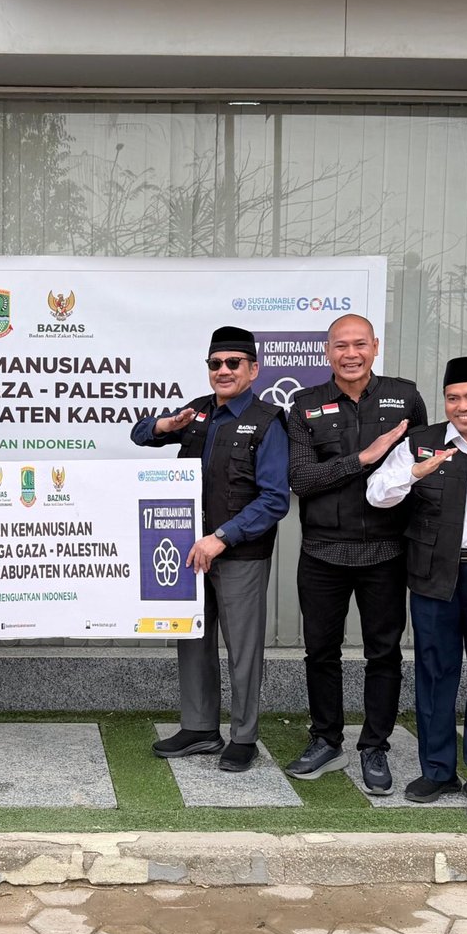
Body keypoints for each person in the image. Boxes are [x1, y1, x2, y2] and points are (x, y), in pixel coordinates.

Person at [365, 357, 467, 824]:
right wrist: (415, 473)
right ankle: (437, 771)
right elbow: (377, 493)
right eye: (453, 398)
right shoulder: (421, 443)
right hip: (435, 576)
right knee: (435, 675)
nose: (463, 406)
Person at [131, 327, 290, 772]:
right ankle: (200, 728)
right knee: (193, 640)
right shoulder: (198, 412)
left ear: (253, 369)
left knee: (243, 649)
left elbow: (274, 499)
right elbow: (140, 435)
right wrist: (165, 425)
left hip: (238, 553)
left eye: (233, 363)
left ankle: (244, 736)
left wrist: (222, 537)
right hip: (190, 553)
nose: (223, 371)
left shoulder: (267, 421)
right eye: (215, 364)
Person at [282, 313, 427, 795]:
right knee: (320, 651)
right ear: (327, 351)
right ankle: (326, 739)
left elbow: (421, 470)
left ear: (375, 346)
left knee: (383, 653)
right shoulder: (305, 405)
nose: (351, 354)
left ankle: (374, 746)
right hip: (322, 551)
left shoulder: (405, 398)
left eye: (360, 344)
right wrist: (363, 459)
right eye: (341, 345)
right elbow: (301, 480)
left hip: (385, 551)